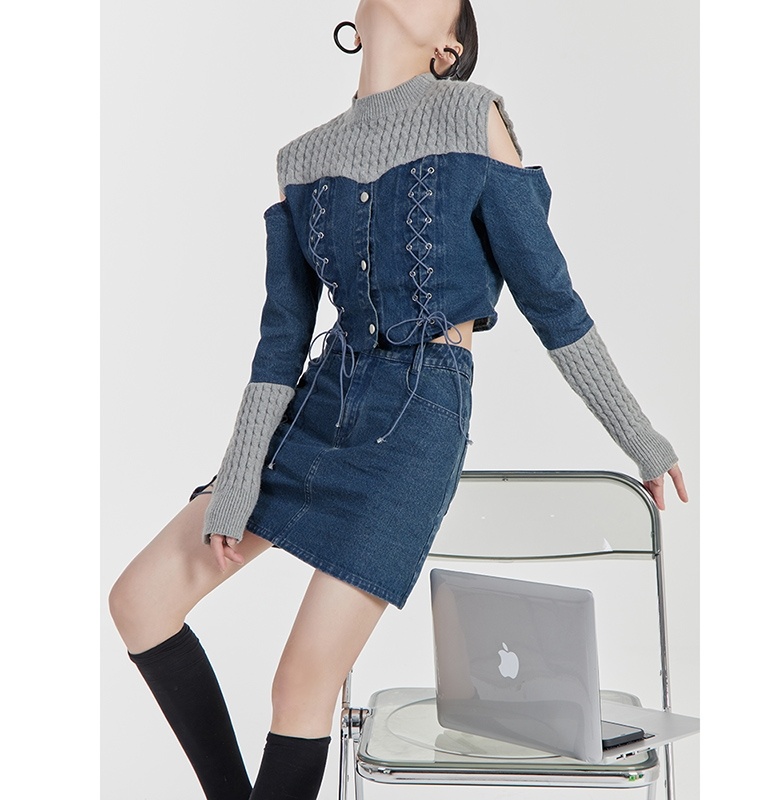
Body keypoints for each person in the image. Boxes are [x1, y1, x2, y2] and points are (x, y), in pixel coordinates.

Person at [108, 1, 689, 798]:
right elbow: (281, 343)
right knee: (140, 601)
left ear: (449, 46)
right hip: (319, 403)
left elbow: (551, 301)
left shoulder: (472, 116)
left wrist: (642, 438)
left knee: (299, 683)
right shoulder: (302, 157)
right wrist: (235, 478)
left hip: (419, 417)